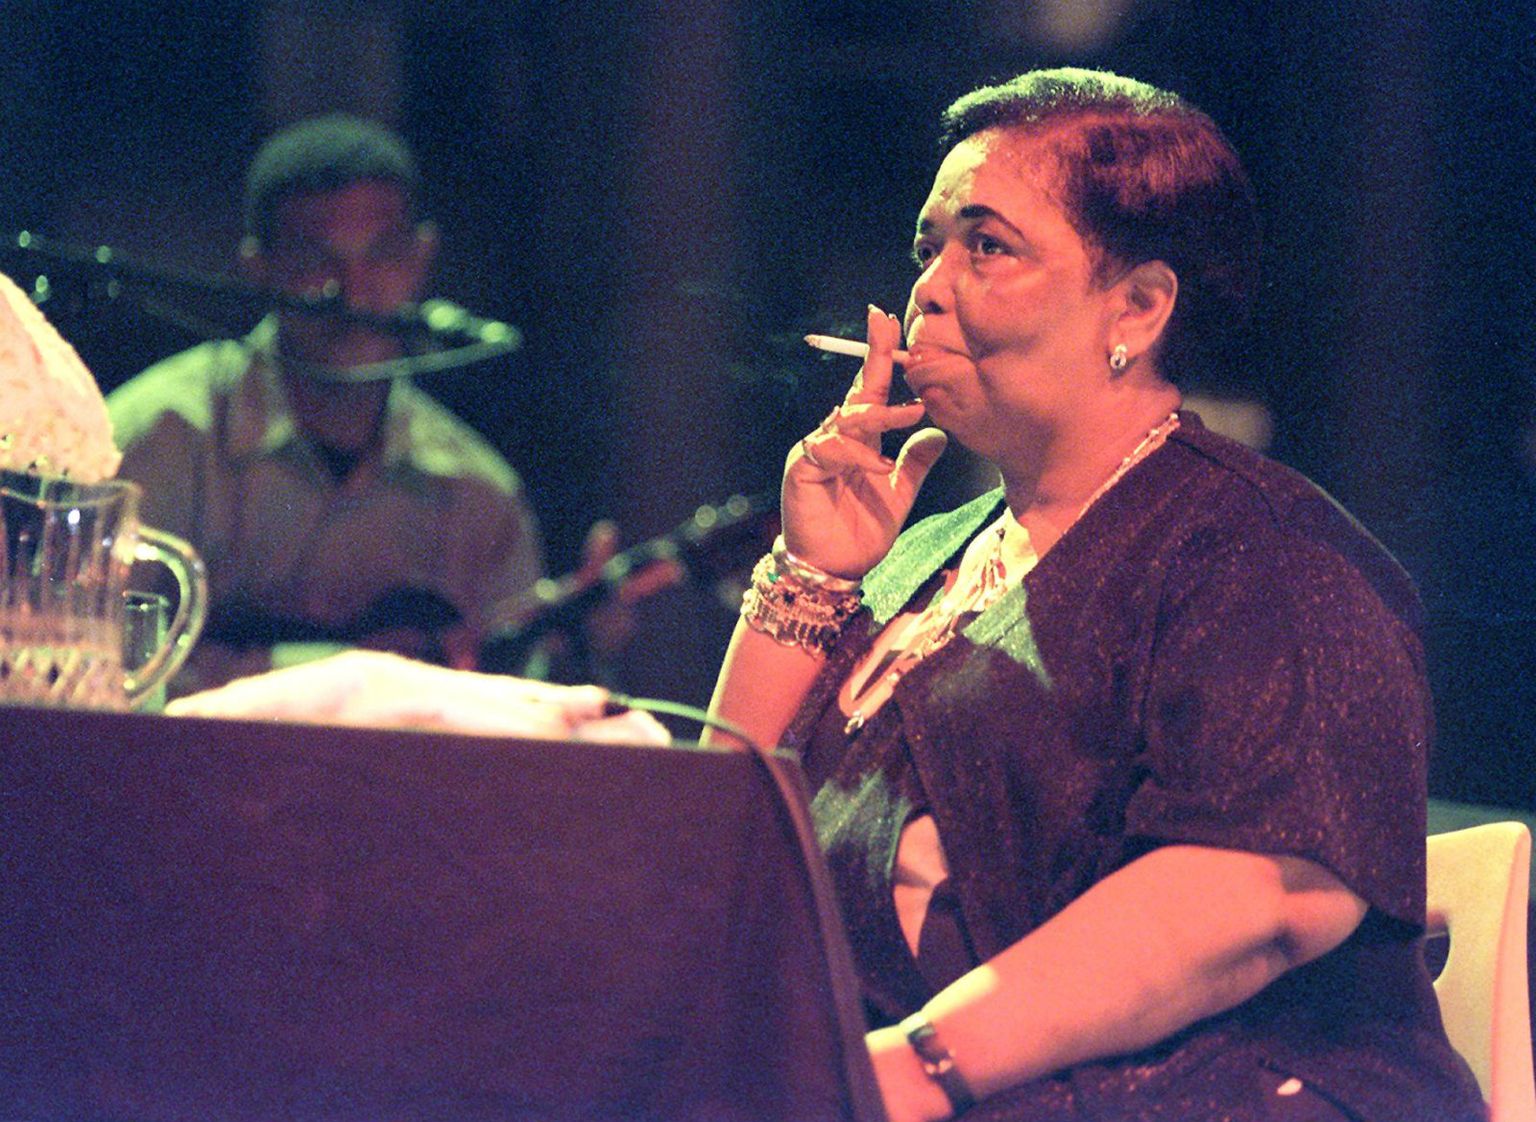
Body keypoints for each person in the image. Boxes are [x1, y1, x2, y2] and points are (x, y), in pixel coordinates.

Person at [705, 68, 1486, 1121]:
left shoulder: (1268, 553)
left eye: (987, 247)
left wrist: (914, 1069)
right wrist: (813, 577)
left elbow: (1253, 896)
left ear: (1139, 307)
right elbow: (724, 845)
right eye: (927, 248)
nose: (927, 288)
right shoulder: (926, 551)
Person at [107, 114, 544, 693]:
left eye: (381, 253)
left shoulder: (479, 493)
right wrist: (333, 674)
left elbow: (515, 705)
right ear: (258, 266)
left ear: (421, 257)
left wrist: (582, 650)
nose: (352, 290)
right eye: (315, 258)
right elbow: (90, 665)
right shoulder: (159, 436)